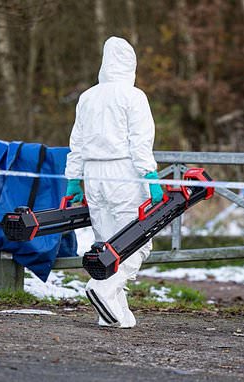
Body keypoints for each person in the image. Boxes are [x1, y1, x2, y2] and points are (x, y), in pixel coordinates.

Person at [64, 36, 164, 328]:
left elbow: (77, 144)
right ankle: (104, 289)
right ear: (131, 64)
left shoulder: (88, 97)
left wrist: (73, 181)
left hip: (94, 177)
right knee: (137, 241)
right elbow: (140, 144)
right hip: (124, 174)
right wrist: (151, 179)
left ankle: (112, 314)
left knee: (107, 243)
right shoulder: (133, 97)